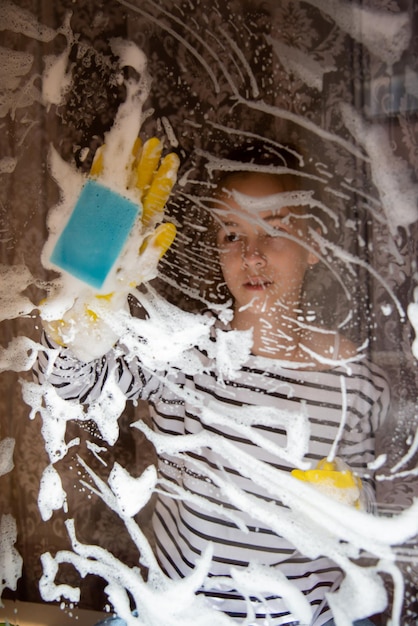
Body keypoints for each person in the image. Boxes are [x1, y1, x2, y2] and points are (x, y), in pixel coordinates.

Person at [35, 144, 390, 626]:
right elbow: (73, 387)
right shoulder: (184, 355)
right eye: (232, 234)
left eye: (276, 230)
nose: (253, 254)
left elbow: (384, 502)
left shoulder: (356, 381)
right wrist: (76, 302)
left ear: (315, 246)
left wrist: (353, 501)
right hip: (184, 615)